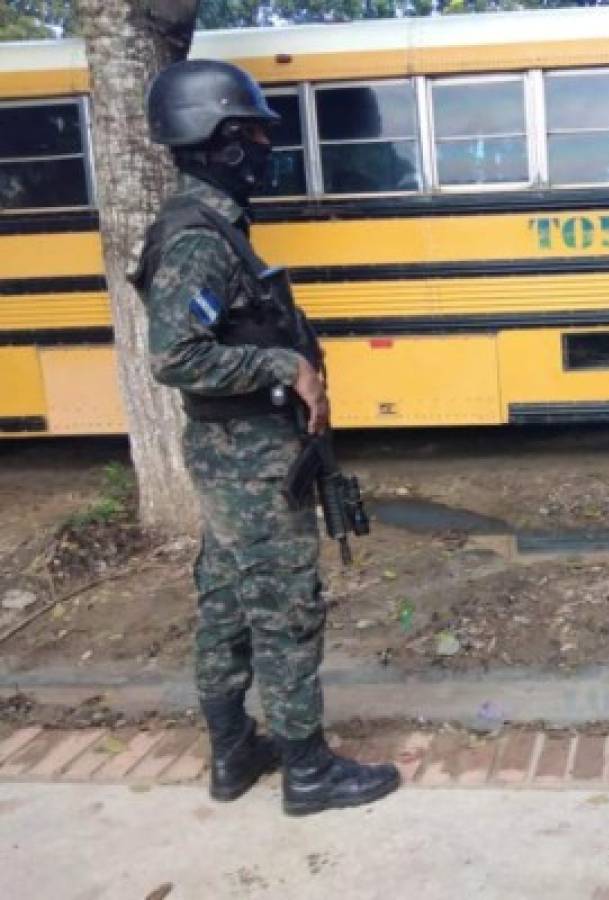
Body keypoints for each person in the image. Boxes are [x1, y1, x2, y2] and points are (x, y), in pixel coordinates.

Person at [130, 60, 399, 816]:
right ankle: (309, 772)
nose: (264, 146)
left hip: (236, 461)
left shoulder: (212, 227)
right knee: (284, 605)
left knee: (226, 600)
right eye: (252, 132)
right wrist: (283, 361)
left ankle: (233, 753)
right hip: (249, 466)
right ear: (216, 140)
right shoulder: (197, 238)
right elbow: (175, 357)